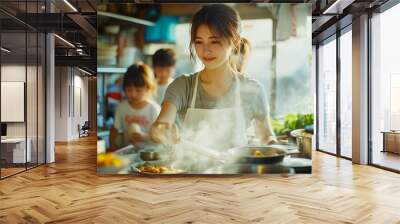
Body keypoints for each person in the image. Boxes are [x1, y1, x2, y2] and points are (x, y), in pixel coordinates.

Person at [150, 4, 276, 152]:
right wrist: (161, 130)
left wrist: (273, 147)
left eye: (214, 41)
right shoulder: (182, 86)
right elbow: (160, 124)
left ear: (235, 41)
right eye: (198, 42)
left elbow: (266, 136)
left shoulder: (253, 90)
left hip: (238, 173)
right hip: (192, 172)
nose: (206, 50)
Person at [109, 63, 160, 151]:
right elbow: (114, 130)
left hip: (150, 154)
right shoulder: (122, 107)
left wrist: (145, 137)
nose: (133, 94)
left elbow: (160, 137)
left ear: (148, 88)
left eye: (138, 90)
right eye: (129, 90)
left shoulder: (153, 109)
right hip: (129, 153)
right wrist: (113, 147)